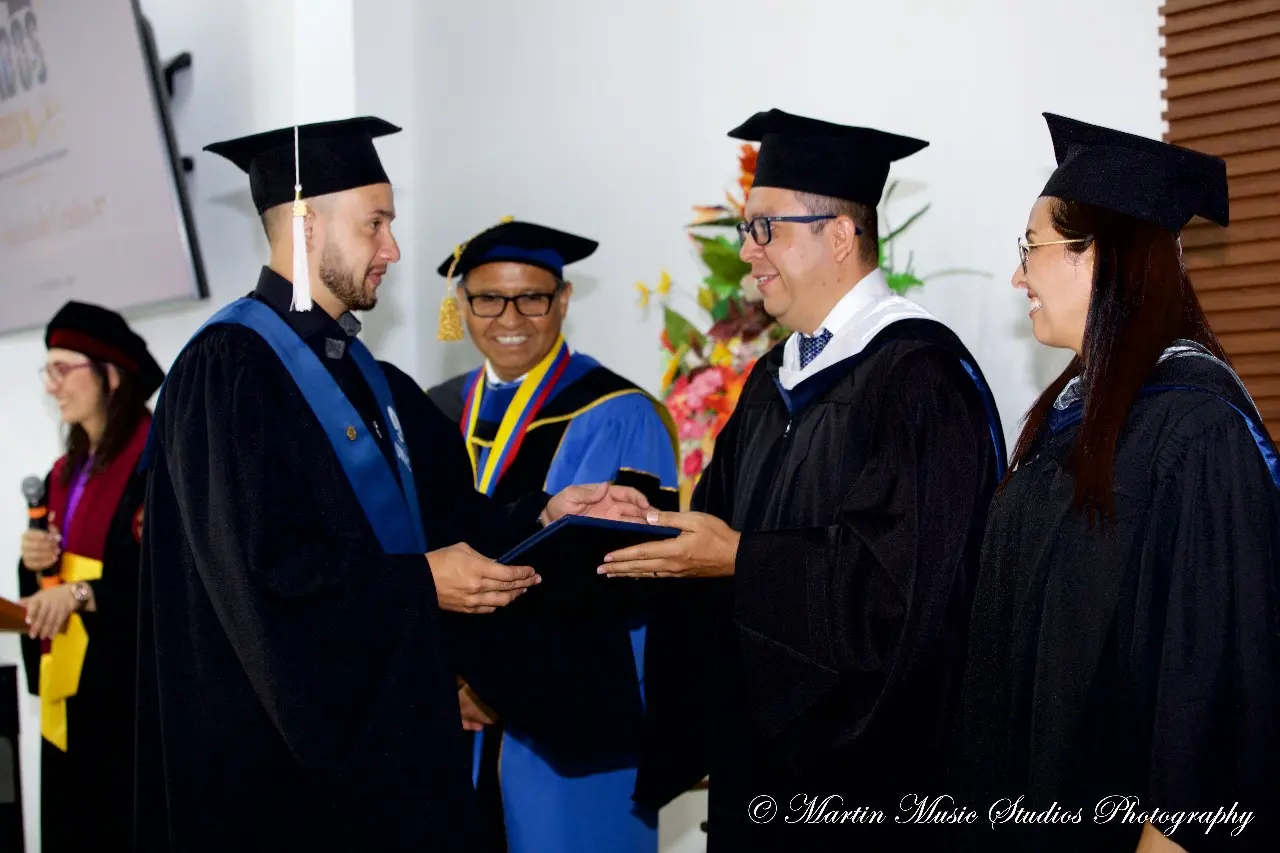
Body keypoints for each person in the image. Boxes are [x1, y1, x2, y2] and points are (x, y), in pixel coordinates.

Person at [132, 116, 651, 853]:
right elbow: (259, 586)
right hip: (281, 788)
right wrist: (418, 586)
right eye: (375, 223)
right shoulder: (230, 372)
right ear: (307, 222)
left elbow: (447, 514)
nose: (394, 249)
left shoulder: (374, 379)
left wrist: (550, 509)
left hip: (392, 770)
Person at [602, 108, 1008, 851]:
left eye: (767, 229)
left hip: (872, 791)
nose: (750, 253)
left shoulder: (919, 379)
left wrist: (739, 559)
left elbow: (915, 594)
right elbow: (726, 524)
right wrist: (649, 521)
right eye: (744, 231)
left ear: (842, 236)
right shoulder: (770, 380)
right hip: (760, 777)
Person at [952, 114, 1280, 852]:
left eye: (1030, 249)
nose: (1017, 275)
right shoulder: (1074, 420)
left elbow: (1211, 694)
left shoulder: (1198, 433)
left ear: (1101, 258)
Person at [426, 219, 679, 853]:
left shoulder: (619, 410)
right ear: (461, 307)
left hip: (571, 713)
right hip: (446, 714)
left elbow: (619, 578)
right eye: (487, 298)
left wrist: (491, 677)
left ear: (562, 301)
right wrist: (448, 678)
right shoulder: (430, 412)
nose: (510, 316)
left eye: (532, 297)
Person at [17, 301, 163, 853]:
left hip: (128, 698)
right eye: (46, 370)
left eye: (63, 367)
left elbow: (165, 577)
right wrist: (33, 561)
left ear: (111, 373)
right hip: (72, 694)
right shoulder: (67, 470)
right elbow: (54, 576)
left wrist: (80, 593)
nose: (52, 385)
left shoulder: (156, 461)